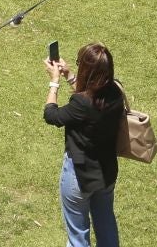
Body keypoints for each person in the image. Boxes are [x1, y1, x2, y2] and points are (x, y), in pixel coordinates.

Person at [44, 43, 125, 247]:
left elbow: (51, 115)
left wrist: (54, 82)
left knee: (78, 236)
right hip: (106, 173)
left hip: (78, 176)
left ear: (87, 70)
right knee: (106, 225)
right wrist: (69, 75)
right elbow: (92, 95)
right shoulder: (116, 91)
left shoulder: (81, 104)